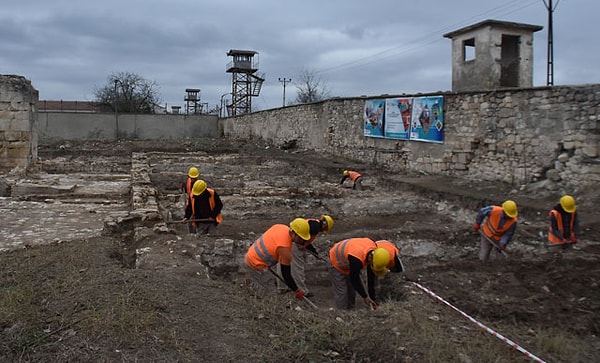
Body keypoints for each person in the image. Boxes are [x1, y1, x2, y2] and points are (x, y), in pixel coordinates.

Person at [243, 218, 311, 300]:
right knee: (271, 297)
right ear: (294, 233)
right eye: (301, 238)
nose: (302, 242)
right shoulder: (284, 249)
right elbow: (286, 275)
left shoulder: (280, 227)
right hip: (256, 265)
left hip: (250, 255)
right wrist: (296, 290)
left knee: (261, 289)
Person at [278, 215, 334, 296]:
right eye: (325, 229)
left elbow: (307, 242)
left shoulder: (313, 223)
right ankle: (302, 290)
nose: (323, 230)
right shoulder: (315, 227)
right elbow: (305, 239)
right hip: (295, 245)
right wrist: (303, 244)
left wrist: (315, 253)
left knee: (282, 262)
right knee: (298, 267)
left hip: (289, 241)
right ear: (325, 225)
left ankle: (282, 287)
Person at [328, 237, 390, 310]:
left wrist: (371, 297)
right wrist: (365, 297)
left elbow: (370, 277)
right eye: (372, 263)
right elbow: (354, 279)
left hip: (348, 258)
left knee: (351, 290)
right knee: (342, 292)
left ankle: (351, 310)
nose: (370, 265)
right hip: (335, 260)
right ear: (370, 258)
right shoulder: (356, 260)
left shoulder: (374, 251)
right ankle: (342, 313)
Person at [181, 167, 199, 233]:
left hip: (197, 203)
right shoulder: (188, 181)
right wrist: (183, 187)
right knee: (189, 218)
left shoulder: (198, 184)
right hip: (190, 202)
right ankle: (191, 232)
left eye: (194, 178)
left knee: (196, 219)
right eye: (191, 178)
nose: (192, 179)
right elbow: (187, 190)